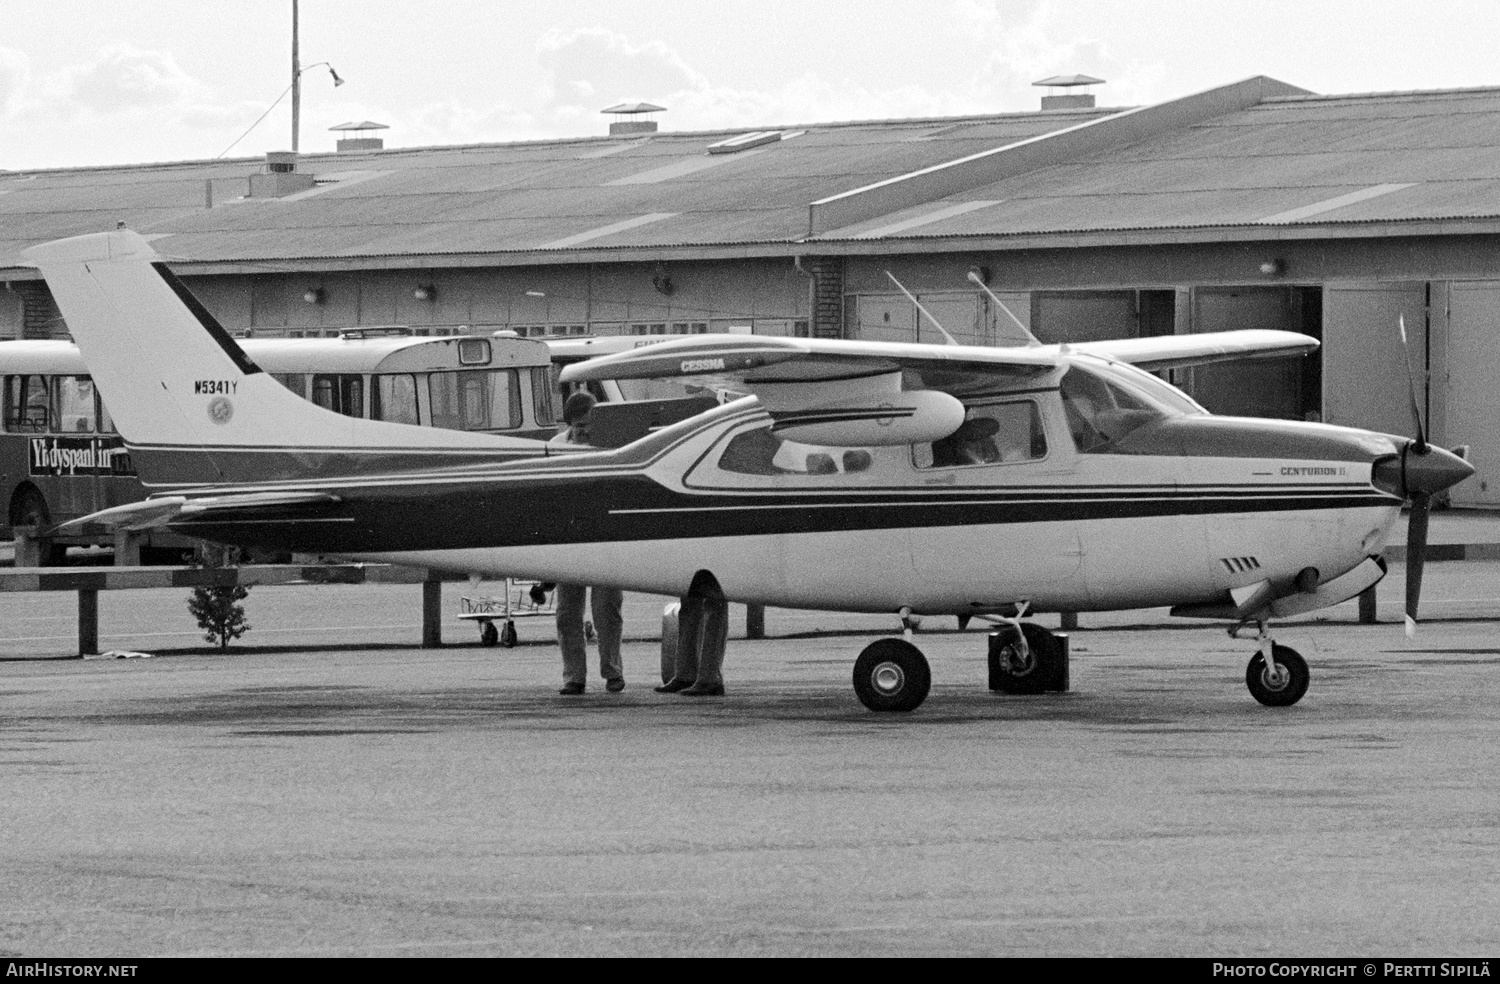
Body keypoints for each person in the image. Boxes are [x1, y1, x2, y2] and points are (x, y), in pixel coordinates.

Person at [550, 391, 626, 695]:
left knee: (608, 608)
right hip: (569, 536)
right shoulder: (555, 447)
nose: (585, 431)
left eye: (590, 423)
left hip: (605, 533)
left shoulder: (611, 443)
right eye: (580, 425)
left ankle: (613, 671)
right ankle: (573, 676)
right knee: (567, 612)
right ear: (569, 424)